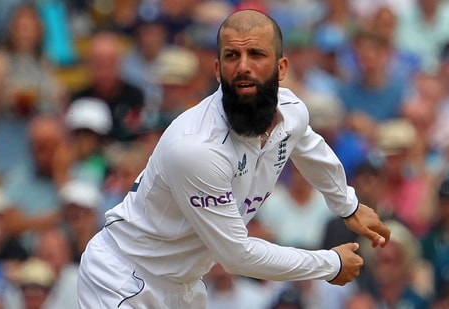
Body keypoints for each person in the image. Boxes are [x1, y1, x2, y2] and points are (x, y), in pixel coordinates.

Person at [77, 9, 391, 309]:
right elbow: (237, 256)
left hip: (184, 284)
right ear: (217, 70)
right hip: (122, 275)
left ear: (281, 68)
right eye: (232, 56)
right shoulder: (196, 148)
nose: (243, 66)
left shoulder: (292, 111)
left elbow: (309, 147)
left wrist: (347, 205)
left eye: (256, 54)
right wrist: (330, 264)